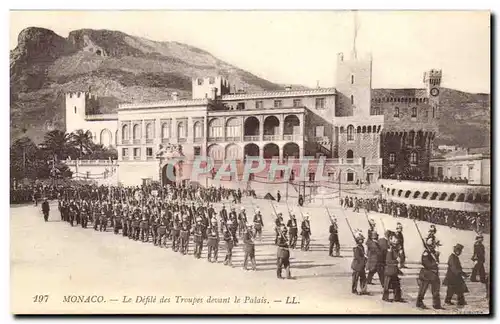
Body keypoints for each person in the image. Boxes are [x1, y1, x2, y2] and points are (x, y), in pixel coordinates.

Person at [416, 238, 443, 309]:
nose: (433, 244)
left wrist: (436, 256)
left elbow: (437, 260)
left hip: (434, 273)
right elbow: (425, 263)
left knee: (436, 289)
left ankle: (436, 304)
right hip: (427, 273)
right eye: (431, 242)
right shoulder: (426, 252)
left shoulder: (434, 252)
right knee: (423, 289)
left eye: (433, 243)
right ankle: (419, 302)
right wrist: (434, 264)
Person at [383, 231, 404, 302]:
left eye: (396, 239)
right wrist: (396, 261)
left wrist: (401, 254)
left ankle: (397, 297)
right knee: (387, 285)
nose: (396, 241)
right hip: (389, 269)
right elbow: (388, 260)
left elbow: (401, 259)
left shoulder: (396, 248)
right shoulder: (390, 248)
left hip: (394, 270)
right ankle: (385, 297)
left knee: (396, 284)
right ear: (390, 239)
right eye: (394, 239)